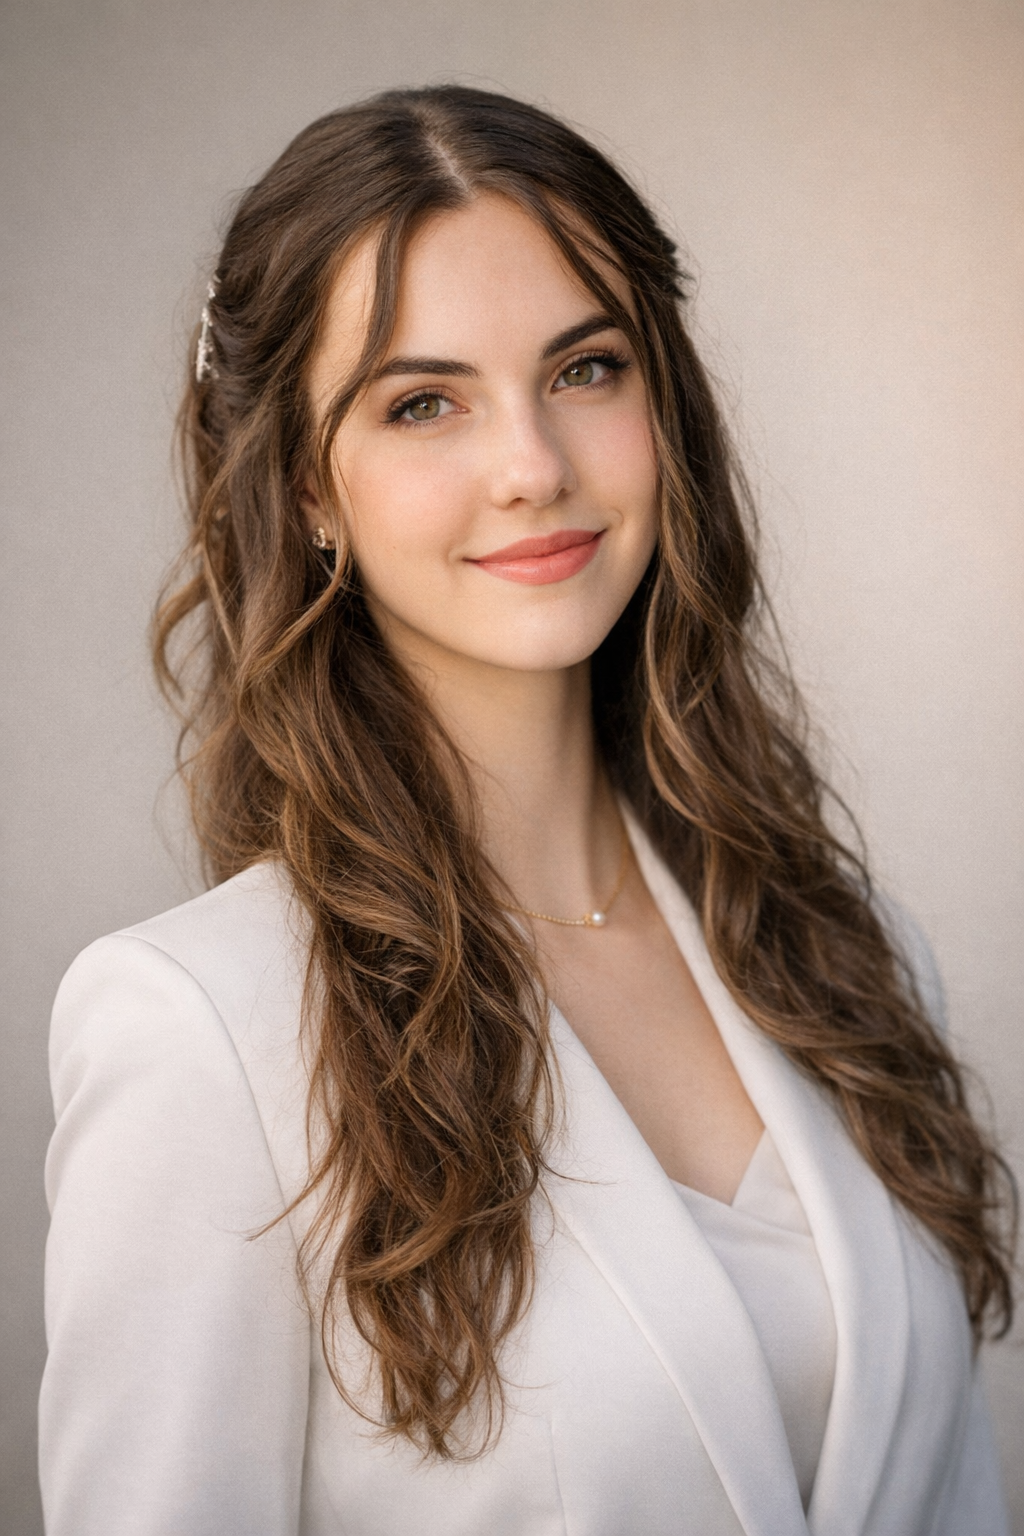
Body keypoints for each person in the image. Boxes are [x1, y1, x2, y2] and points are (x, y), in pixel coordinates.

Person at [39, 86, 1015, 1535]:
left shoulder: (847, 951)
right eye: (422, 401)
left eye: (586, 368)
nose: (533, 467)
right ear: (309, 484)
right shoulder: (198, 1035)